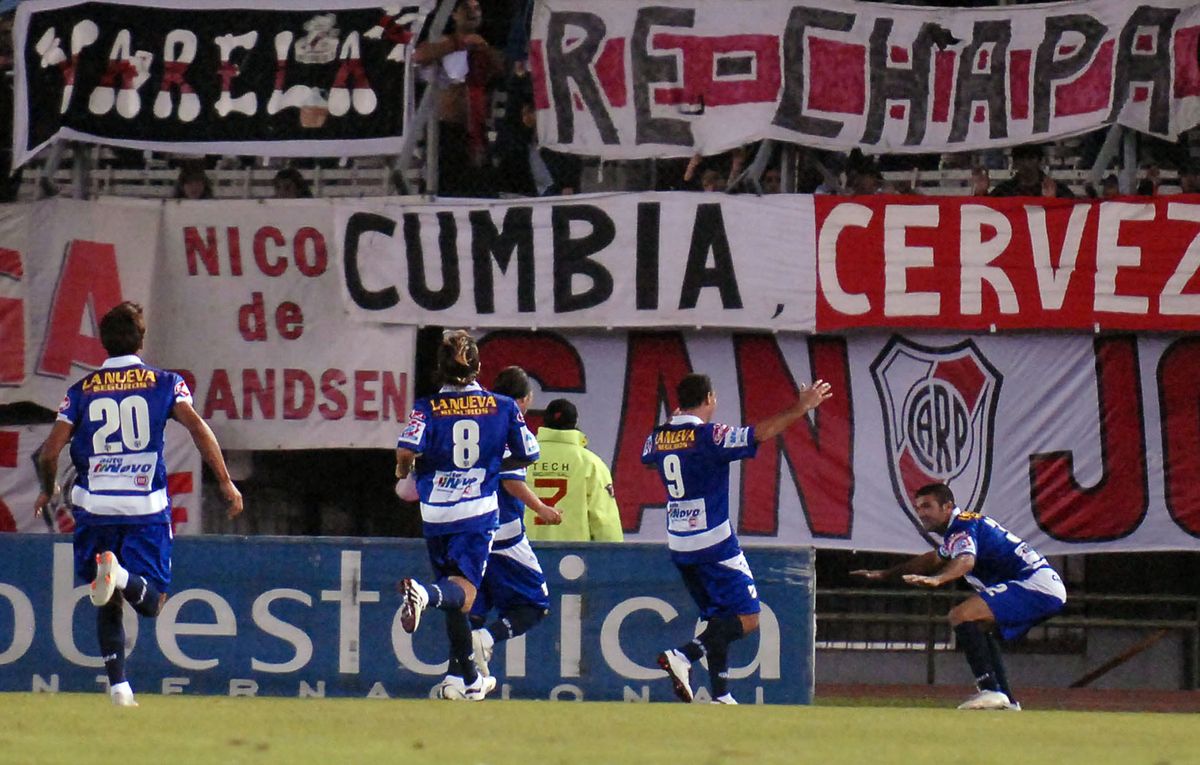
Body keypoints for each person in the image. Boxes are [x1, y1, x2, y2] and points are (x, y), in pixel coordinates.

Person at [32, 301, 243, 707]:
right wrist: (225, 480)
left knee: (104, 593)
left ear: (102, 343)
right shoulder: (165, 383)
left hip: (93, 507)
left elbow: (48, 453)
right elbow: (198, 429)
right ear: (142, 339)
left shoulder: (81, 390)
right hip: (144, 505)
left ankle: (118, 688)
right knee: (152, 600)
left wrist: (48, 487)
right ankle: (123, 578)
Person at [641, 373, 832, 704]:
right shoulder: (711, 435)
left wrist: (673, 426)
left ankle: (722, 694)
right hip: (713, 540)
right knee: (747, 617)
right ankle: (684, 656)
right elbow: (759, 433)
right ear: (710, 398)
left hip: (679, 541)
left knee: (718, 617)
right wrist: (800, 408)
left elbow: (649, 456)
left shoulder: (658, 438)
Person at [394, 330, 540, 701]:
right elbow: (528, 453)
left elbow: (405, 451)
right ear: (478, 366)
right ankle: (422, 596)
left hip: (435, 512)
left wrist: (404, 472)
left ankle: (466, 680)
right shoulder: (503, 406)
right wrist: (490, 464)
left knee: (454, 594)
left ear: (439, 369)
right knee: (463, 592)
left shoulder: (426, 407)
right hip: (476, 510)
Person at [850, 482, 1066, 711]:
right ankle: (1006, 699)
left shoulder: (961, 528)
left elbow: (966, 560)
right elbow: (932, 559)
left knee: (960, 615)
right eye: (918, 508)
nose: (921, 513)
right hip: (1042, 585)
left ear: (947, 506)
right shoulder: (961, 527)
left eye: (927, 506)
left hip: (1035, 584)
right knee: (982, 627)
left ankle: (991, 690)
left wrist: (939, 579)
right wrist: (886, 574)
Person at [466, 366, 562, 682]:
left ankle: (462, 678)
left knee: (476, 607)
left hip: (471, 529)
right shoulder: (508, 425)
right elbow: (510, 480)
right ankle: (489, 639)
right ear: (524, 400)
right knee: (535, 604)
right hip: (504, 533)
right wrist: (541, 508)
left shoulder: (477, 425)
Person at [412, 0, 504, 197]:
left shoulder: (483, 48)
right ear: (454, 14)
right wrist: (459, 43)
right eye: (467, 8)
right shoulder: (443, 42)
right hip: (447, 129)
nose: (473, 12)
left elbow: (502, 68)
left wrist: (482, 48)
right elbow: (419, 56)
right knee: (447, 187)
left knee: (482, 189)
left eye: (477, 8)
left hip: (476, 129)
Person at [525, 398, 623, 543]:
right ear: (576, 423)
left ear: (544, 423)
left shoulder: (522, 458)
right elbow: (604, 520)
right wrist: (615, 558)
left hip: (523, 552)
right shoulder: (591, 464)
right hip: (574, 557)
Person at [988, 144, 1074, 198]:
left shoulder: (1058, 190)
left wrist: (1051, 202)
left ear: (1040, 161)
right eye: (1021, 158)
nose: (1026, 163)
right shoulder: (1004, 191)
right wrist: (980, 193)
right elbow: (986, 213)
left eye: (1030, 158)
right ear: (1014, 162)